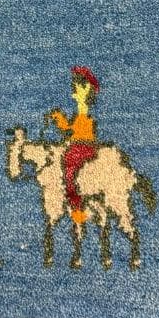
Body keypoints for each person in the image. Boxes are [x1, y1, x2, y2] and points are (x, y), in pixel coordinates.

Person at [50, 66, 101, 224]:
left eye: (77, 88)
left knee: (69, 173)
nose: (73, 93)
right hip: (78, 146)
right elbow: (69, 129)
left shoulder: (84, 114)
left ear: (87, 90)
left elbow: (72, 131)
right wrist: (59, 118)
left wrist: (61, 121)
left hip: (83, 148)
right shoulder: (80, 113)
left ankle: (77, 208)